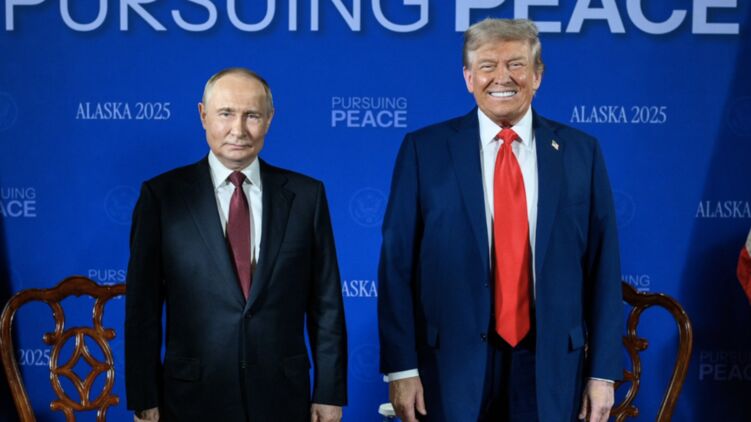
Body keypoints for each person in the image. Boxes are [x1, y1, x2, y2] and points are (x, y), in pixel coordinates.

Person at [378, 19, 622, 422]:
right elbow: (395, 266)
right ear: (468, 78)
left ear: (537, 75)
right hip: (450, 364)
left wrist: (603, 373)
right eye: (487, 66)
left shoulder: (582, 152)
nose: (502, 77)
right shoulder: (424, 150)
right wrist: (401, 369)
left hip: (550, 363)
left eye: (516, 64)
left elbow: (604, 267)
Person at [125, 67, 347, 422]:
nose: (239, 129)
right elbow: (143, 309)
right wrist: (144, 398)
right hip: (190, 399)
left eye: (252, 115)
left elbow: (327, 304)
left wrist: (329, 393)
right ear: (203, 115)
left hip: (282, 399)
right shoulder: (161, 197)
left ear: (269, 119)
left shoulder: (307, 197)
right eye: (226, 113)